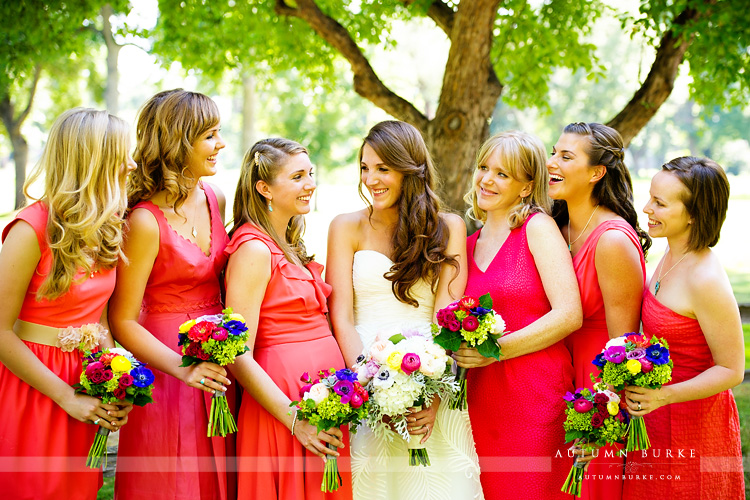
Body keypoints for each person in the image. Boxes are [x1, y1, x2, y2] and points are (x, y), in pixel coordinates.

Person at [326, 120, 483, 500]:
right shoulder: (345, 227)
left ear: (409, 169)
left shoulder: (448, 227)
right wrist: (370, 384)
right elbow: (342, 318)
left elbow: (445, 317)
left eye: (383, 168)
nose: (370, 179)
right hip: (363, 378)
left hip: (430, 373)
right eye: (364, 168)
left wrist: (429, 395)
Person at [0, 108, 134, 499]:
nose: (132, 163)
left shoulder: (108, 228)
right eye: (122, 153)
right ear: (94, 160)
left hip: (84, 380)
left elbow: (100, 321)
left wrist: (113, 383)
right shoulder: (30, 229)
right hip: (34, 385)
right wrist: (64, 395)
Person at [108, 89, 232, 500]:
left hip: (220, 357)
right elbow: (122, 320)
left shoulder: (216, 197)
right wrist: (182, 368)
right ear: (181, 142)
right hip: (167, 366)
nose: (221, 145)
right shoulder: (143, 220)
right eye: (210, 136)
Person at [452, 131, 581, 500]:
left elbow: (569, 313)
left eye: (503, 174)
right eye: (483, 168)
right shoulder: (467, 244)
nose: (487, 180)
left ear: (526, 187)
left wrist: (497, 351)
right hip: (482, 397)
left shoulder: (537, 228)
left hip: (535, 395)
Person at [224, 138, 352, 499]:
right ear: (264, 187)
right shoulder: (253, 249)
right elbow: (237, 353)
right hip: (284, 407)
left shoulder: (289, 245)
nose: (310, 183)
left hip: (323, 403)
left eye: (310, 174)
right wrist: (295, 420)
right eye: (297, 176)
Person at [622, 156, 744, 498]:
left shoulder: (705, 279)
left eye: (660, 203)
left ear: (693, 214)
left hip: (694, 424)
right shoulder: (670, 253)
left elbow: (733, 369)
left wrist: (665, 395)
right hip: (654, 416)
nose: (646, 208)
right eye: (650, 197)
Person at [546, 122, 649, 499]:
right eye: (554, 151)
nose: (551, 161)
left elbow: (622, 347)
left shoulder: (611, 241)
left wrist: (597, 420)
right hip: (553, 374)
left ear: (595, 172)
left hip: (595, 383)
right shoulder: (555, 227)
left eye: (566, 156)